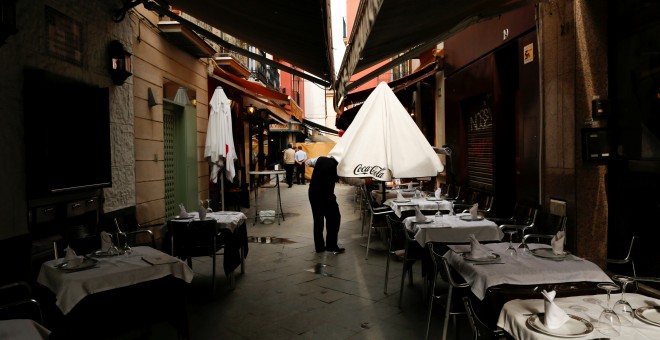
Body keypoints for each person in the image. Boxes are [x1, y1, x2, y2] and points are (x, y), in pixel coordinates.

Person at [308, 156, 344, 253]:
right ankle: (331, 245)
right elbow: (348, 180)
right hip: (326, 194)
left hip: (313, 192)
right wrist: (363, 181)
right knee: (334, 218)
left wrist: (317, 169)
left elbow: (308, 162)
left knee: (318, 220)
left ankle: (319, 247)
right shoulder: (338, 166)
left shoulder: (320, 159)